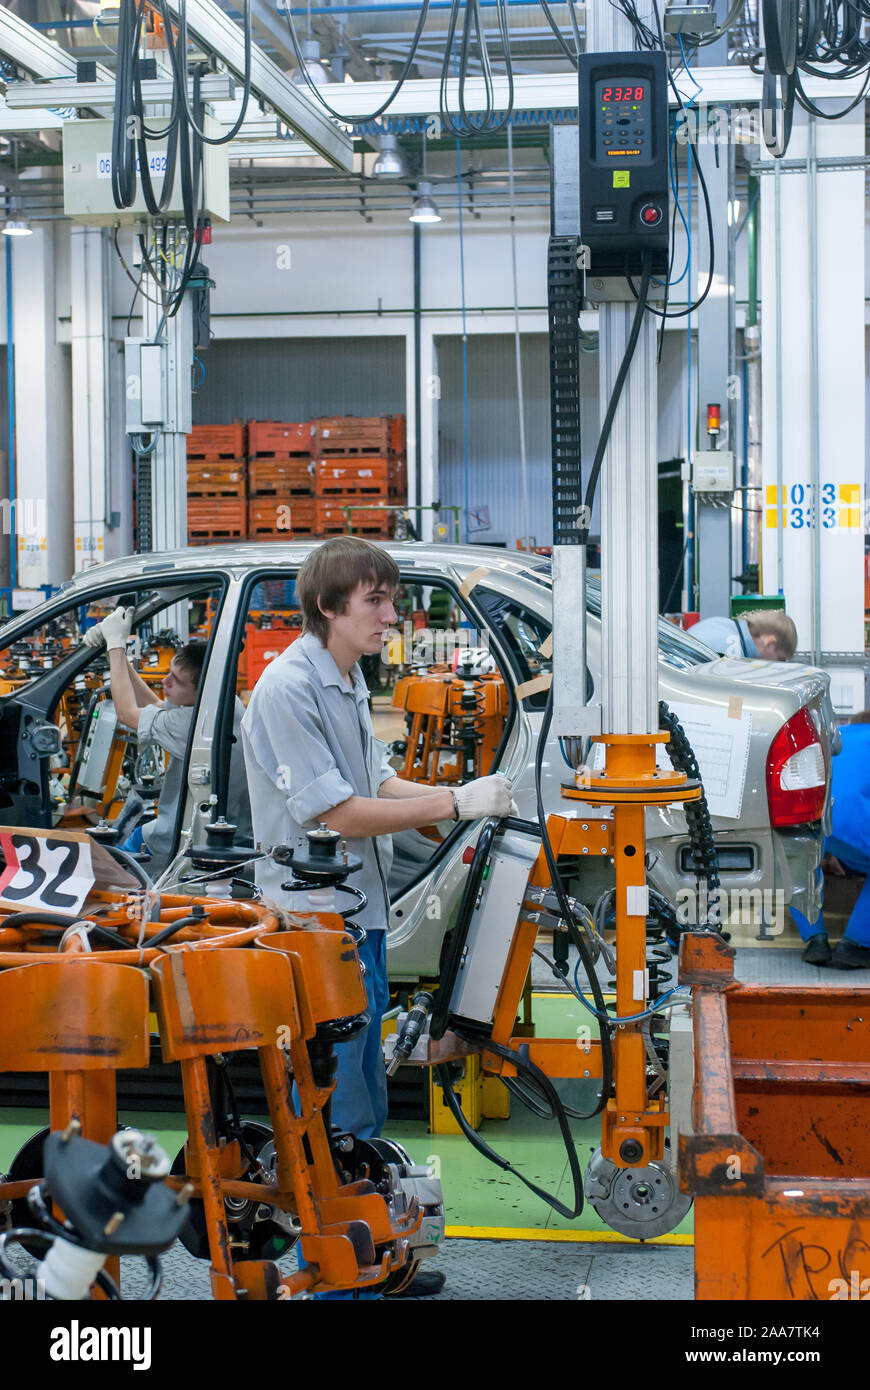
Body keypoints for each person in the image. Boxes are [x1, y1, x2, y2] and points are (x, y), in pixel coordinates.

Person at [240, 537, 516, 1298]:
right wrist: (455, 803)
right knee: (326, 1099)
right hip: (312, 921)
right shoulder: (289, 687)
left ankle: (367, 1259)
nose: (392, 617)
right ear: (329, 607)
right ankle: (325, 1271)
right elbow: (336, 810)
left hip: (358, 915)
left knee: (363, 1085)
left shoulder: (345, 676)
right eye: (377, 602)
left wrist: (443, 801)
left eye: (393, 600)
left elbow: (376, 779)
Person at [83, 607, 252, 875]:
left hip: (178, 835)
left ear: (203, 689)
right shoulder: (222, 705)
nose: (165, 680)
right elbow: (157, 707)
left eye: (177, 681)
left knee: (108, 868)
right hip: (219, 829)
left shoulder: (189, 724)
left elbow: (127, 713)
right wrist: (117, 654)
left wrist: (116, 645)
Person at [793, 712, 870, 969]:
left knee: (796, 866)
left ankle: (815, 939)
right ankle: (856, 944)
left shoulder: (834, 736)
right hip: (855, 820)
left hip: (812, 813)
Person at [689, 608, 797, 662]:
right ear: (769, 641)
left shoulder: (725, 624)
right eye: (780, 659)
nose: (778, 665)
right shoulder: (734, 653)